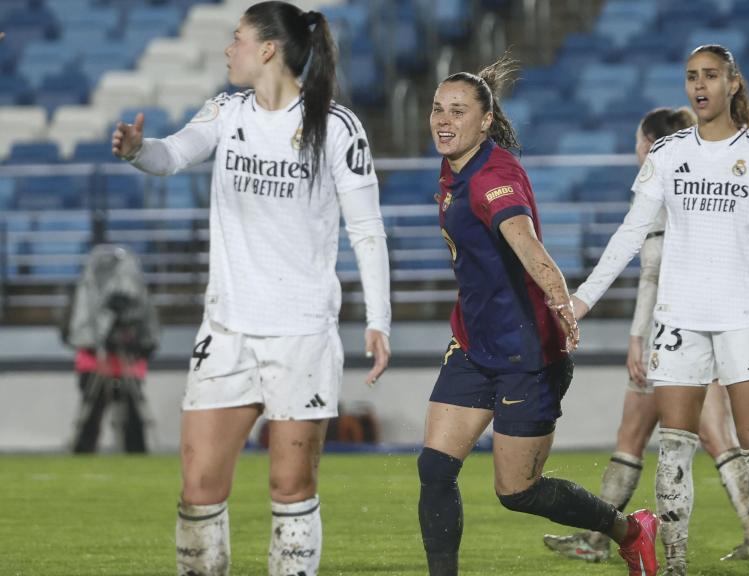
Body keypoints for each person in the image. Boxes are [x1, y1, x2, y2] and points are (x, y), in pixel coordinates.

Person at [111, 3, 391, 575]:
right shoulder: (226, 111)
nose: (228, 49)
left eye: (237, 39)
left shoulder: (336, 127)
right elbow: (174, 154)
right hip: (228, 329)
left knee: (291, 485)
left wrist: (378, 319)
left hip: (301, 334)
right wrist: (139, 150)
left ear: (268, 49)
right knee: (199, 487)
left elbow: (366, 229)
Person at [571, 45, 749, 576]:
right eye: (692, 76)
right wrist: (584, 296)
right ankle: (674, 563)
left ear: (732, 83)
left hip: (744, 317)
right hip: (680, 317)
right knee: (674, 445)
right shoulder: (669, 153)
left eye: (711, 75)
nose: (700, 85)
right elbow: (631, 232)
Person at [417, 55, 658, 576]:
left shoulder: (494, 175)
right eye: (438, 109)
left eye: (458, 111)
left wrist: (560, 299)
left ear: (485, 121)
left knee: (517, 490)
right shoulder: (454, 165)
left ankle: (632, 531)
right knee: (435, 468)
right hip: (474, 343)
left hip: (526, 351)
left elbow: (525, 242)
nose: (443, 120)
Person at [543, 107, 749, 565]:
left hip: (672, 335)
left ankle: (601, 539)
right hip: (707, 323)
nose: (636, 148)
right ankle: (600, 537)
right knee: (682, 435)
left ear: (651, 143)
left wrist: (639, 337)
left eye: (639, 140)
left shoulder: (662, 188)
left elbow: (652, 273)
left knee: (649, 436)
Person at [63, 244, 160, 454]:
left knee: (132, 413)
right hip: (95, 362)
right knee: (92, 411)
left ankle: (136, 454)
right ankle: (83, 452)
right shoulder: (86, 292)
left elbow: (147, 331)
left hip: (126, 362)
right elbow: (77, 330)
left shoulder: (134, 295)